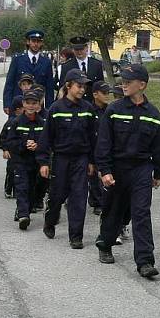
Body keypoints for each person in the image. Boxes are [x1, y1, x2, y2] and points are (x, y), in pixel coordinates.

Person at [96, 64, 160, 277]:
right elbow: (104, 142)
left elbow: (159, 146)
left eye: (128, 81)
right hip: (117, 168)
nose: (123, 84)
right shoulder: (114, 110)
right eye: (122, 81)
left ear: (141, 85)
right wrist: (105, 170)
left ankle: (145, 261)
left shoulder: (153, 113)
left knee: (141, 214)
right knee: (114, 210)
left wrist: (157, 172)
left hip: (142, 170)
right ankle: (105, 244)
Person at [37, 69, 97, 248]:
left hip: (81, 159)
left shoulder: (88, 109)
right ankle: (50, 220)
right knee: (57, 196)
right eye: (79, 86)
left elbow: (93, 138)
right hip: (61, 159)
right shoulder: (56, 109)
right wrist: (43, 162)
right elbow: (46, 137)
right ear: (69, 86)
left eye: (84, 86)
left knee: (79, 197)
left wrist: (93, 161)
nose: (82, 90)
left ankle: (76, 236)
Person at [4, 88, 46, 231]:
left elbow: (48, 141)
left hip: (36, 162)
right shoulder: (16, 122)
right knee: (22, 187)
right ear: (23, 104)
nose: (31, 106)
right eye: (28, 103)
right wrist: (24, 145)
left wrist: (38, 145)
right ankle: (23, 216)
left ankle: (24, 209)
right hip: (20, 161)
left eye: (34, 103)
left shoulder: (42, 123)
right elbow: (10, 142)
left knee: (32, 189)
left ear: (38, 105)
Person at [3, 29, 55, 113]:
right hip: (19, 106)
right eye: (33, 41)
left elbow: (49, 88)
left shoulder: (46, 62)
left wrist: (49, 107)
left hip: (38, 106)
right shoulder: (17, 60)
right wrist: (7, 103)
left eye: (38, 41)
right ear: (28, 42)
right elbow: (10, 83)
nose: (36, 44)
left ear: (41, 43)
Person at [88, 80, 111, 216]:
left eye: (108, 93)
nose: (107, 95)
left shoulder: (109, 110)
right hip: (92, 147)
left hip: (105, 148)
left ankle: (99, 199)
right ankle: (97, 202)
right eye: (104, 93)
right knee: (94, 177)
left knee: (102, 176)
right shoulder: (90, 110)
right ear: (95, 94)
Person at [57, 36, 104, 102]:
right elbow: (63, 88)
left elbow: (100, 85)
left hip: (92, 104)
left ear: (86, 48)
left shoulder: (96, 65)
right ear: (73, 50)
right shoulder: (66, 67)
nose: (79, 52)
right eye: (76, 49)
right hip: (74, 103)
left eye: (81, 49)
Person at [0, 96, 23, 198]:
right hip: (12, 152)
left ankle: (18, 190)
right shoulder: (10, 123)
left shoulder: (25, 122)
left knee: (21, 172)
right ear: (18, 110)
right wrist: (5, 149)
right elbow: (3, 137)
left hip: (22, 152)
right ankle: (8, 188)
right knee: (11, 170)